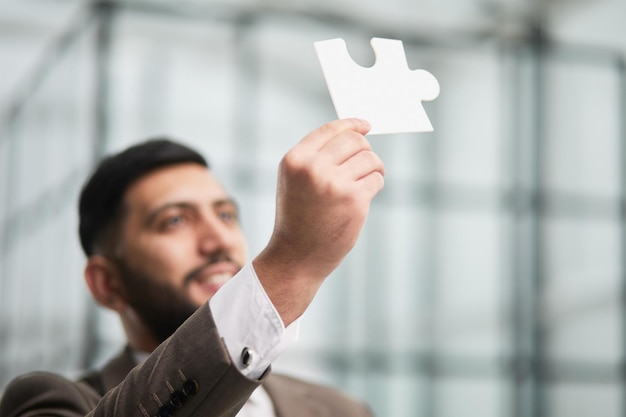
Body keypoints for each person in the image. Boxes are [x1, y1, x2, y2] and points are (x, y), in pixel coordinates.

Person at [0, 118, 384, 417]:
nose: (218, 241)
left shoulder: (342, 409)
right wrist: (290, 265)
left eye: (226, 214)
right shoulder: (51, 402)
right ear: (107, 284)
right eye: (175, 221)